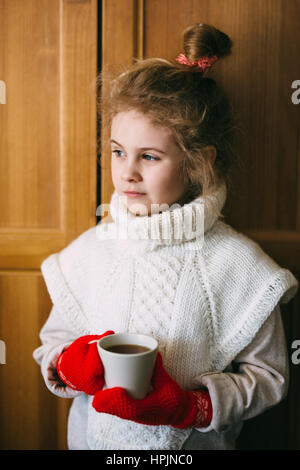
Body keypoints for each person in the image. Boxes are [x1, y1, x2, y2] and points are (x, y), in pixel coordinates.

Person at [33, 23, 298, 450]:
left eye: (149, 156)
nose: (126, 171)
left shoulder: (239, 265)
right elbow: (52, 345)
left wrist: (193, 408)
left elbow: (269, 378)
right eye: (118, 151)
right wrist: (68, 364)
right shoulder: (89, 252)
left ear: (198, 163)